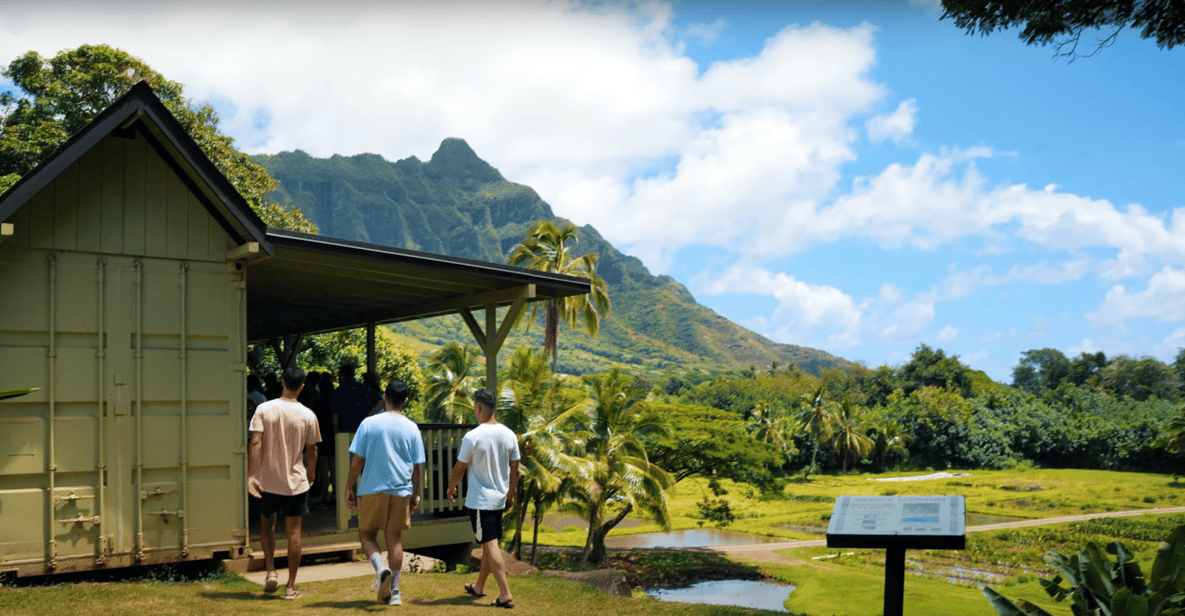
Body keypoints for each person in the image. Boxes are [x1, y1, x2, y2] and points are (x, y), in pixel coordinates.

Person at [345, 381, 424, 606]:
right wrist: (415, 494)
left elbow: (358, 460)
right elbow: (418, 467)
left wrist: (348, 486)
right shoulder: (412, 428)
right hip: (401, 489)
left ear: (384, 397)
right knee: (394, 538)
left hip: (372, 488)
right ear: (406, 401)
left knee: (367, 535)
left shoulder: (369, 424)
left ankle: (380, 568)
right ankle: (395, 590)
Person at [248, 366, 321, 600]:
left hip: (268, 480)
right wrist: (311, 473)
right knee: (294, 531)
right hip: (296, 482)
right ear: (301, 387)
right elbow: (313, 449)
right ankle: (290, 586)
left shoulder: (264, 409)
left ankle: (270, 571)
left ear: (281, 382)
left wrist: (252, 475)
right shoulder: (308, 415)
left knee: (267, 525)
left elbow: (255, 443)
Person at [447, 389, 520, 609]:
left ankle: (505, 593)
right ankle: (479, 586)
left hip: (480, 502)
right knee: (490, 543)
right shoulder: (509, 434)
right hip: (498, 499)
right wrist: (510, 495)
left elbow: (460, 467)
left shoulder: (473, 436)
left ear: (478, 408)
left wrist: (451, 487)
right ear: (494, 408)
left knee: (490, 544)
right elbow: (515, 470)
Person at [332, 364, 376, 434]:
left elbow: (335, 416)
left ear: (343, 375)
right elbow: (381, 402)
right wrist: (369, 416)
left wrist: (336, 432)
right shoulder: (364, 388)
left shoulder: (338, 392)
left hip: (344, 431)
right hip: (362, 429)